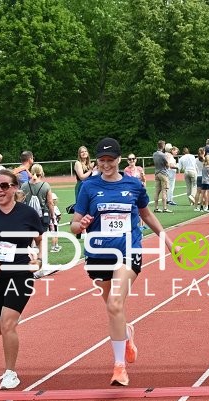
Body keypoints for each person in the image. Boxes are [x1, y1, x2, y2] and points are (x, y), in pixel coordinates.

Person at [70, 137, 175, 387]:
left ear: (119, 160)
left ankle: (119, 367)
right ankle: (126, 334)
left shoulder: (133, 185)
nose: (106, 164)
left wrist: (169, 242)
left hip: (128, 252)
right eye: (102, 160)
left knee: (116, 303)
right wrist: (81, 225)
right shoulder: (88, 187)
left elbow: (146, 215)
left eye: (110, 160)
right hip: (97, 255)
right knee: (113, 308)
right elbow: (74, 225)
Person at [0, 169, 45, 390]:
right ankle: (8, 331)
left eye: (4, 186)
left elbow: (40, 240)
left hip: (21, 274)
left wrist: (39, 260)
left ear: (14, 188)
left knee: (8, 322)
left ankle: (11, 372)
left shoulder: (27, 214)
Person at [151, 140, 172, 213]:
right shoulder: (163, 155)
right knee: (164, 191)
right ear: (163, 146)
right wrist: (168, 160)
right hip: (163, 173)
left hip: (157, 173)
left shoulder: (154, 154)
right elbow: (167, 165)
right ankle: (165, 208)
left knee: (157, 191)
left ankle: (156, 207)